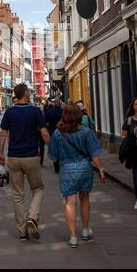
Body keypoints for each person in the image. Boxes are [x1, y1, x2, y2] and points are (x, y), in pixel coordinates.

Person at [0, 83, 50, 241]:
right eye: (28, 91)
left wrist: (1, 153)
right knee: (38, 188)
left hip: (13, 157)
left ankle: (22, 231)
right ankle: (33, 218)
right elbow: (44, 133)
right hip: (31, 157)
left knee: (17, 195)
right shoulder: (35, 111)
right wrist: (54, 149)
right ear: (25, 94)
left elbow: (3, 134)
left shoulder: (9, 112)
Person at [48, 104, 105, 248]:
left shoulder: (57, 133)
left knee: (70, 202)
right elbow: (94, 153)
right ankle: (85, 230)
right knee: (85, 199)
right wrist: (101, 169)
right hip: (85, 168)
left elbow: (53, 156)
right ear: (79, 115)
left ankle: (73, 237)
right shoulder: (86, 131)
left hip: (67, 169)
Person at [45, 98, 63, 172]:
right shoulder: (63, 112)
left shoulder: (49, 112)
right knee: (62, 148)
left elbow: (46, 123)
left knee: (55, 148)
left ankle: (56, 167)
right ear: (59, 104)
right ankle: (62, 163)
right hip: (62, 132)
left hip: (52, 132)